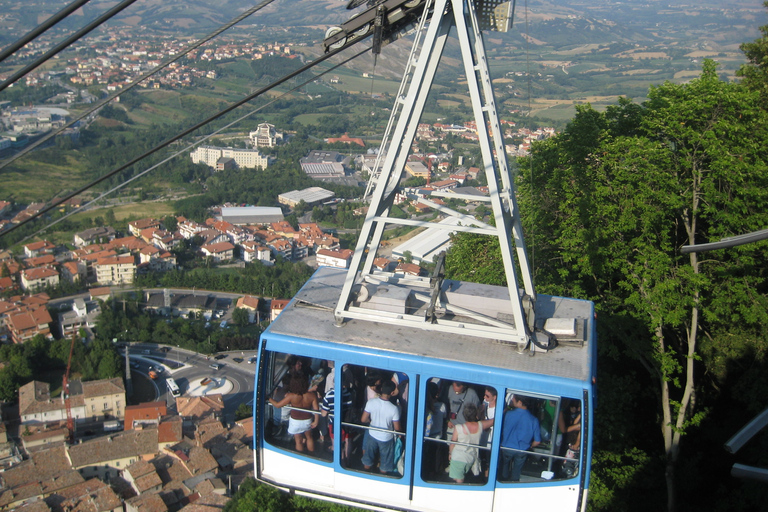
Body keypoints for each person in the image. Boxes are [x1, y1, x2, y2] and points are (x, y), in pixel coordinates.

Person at [269, 373, 319, 453]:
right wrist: (316, 421)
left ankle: (300, 455)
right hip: (308, 420)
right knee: (309, 437)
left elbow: (278, 405)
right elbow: (316, 409)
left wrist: (269, 398)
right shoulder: (312, 395)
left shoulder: (291, 396)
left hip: (295, 421)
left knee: (298, 440)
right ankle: (311, 455)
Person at [361, 380, 401, 474]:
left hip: (372, 434)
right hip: (386, 438)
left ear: (381, 389)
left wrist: (370, 421)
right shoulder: (394, 409)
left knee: (368, 459)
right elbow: (397, 427)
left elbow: (363, 419)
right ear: (392, 393)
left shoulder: (371, 402)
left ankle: (366, 473)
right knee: (385, 464)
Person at [448, 403, 494, 483]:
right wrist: (505, 410)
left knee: (458, 479)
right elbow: (493, 421)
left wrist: (450, 453)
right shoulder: (480, 425)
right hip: (471, 457)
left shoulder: (458, 427)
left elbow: (452, 444)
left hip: (458, 457)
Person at [499, 394, 541, 481]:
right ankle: (513, 483)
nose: (512, 400)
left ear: (520, 402)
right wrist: (530, 445)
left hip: (506, 447)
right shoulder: (534, 420)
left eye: (514, 399)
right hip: (522, 449)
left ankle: (503, 480)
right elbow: (537, 441)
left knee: (504, 468)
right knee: (517, 472)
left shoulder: (507, 414)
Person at [423, 381, 446, 478]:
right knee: (434, 460)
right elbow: (444, 418)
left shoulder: (424, 406)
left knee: (425, 458)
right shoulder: (442, 406)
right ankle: (433, 476)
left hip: (426, 437)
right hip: (437, 437)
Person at [479, 387, 497, 477]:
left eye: (487, 396)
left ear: (495, 397)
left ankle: (486, 478)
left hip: (490, 440)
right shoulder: (484, 405)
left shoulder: (497, 410)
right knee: (482, 460)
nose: (485, 397)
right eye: (485, 395)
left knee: (489, 462)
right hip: (482, 439)